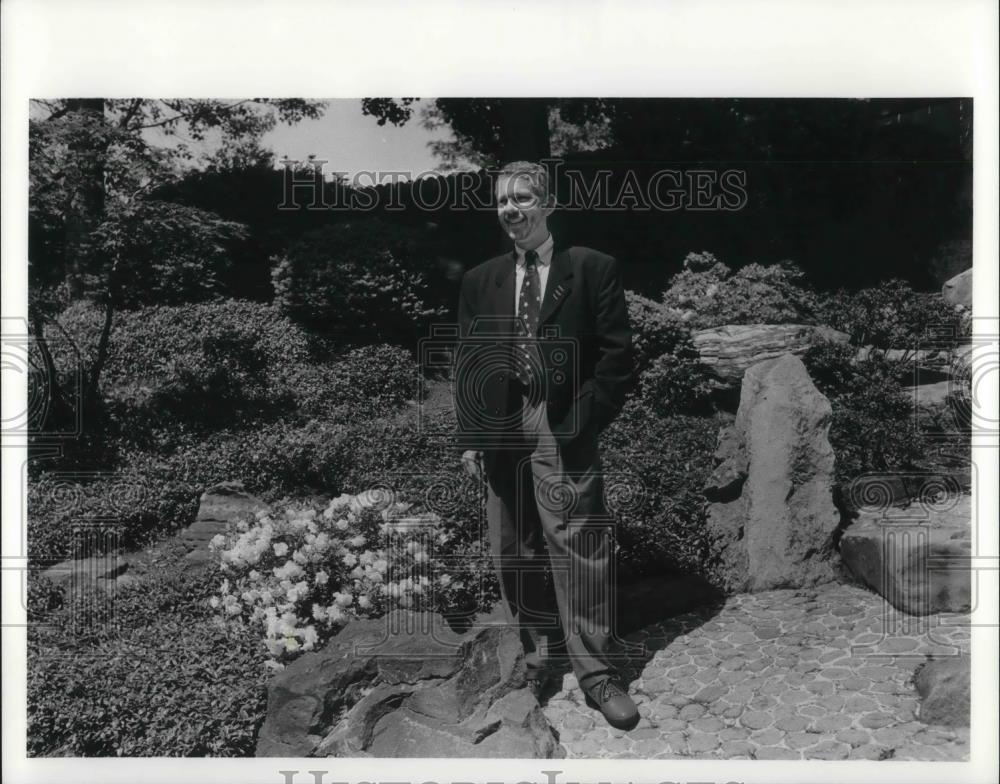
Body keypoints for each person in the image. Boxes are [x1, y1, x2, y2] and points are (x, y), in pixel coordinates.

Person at [454, 161, 637, 730]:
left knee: (577, 546)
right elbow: (468, 361)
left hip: (562, 425)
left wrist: (580, 422)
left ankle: (598, 673)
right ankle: (537, 656)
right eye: (503, 200)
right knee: (512, 547)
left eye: (523, 197)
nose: (511, 209)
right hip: (502, 428)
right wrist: (472, 438)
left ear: (548, 203)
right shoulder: (480, 279)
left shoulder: (590, 269)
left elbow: (617, 359)